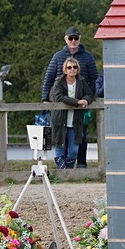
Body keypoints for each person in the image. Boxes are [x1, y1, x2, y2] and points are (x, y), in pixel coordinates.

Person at [41, 26, 99, 167]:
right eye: (71, 38)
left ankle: (81, 164)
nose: (73, 41)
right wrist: (45, 99)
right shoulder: (57, 56)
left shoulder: (88, 56)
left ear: (80, 39)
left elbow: (94, 79)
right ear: (66, 39)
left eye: (76, 38)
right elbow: (49, 78)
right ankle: (64, 169)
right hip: (61, 102)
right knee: (60, 135)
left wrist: (88, 98)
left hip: (81, 102)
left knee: (80, 135)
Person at [49, 57, 95, 169]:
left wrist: (86, 100)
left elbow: (90, 94)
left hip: (76, 120)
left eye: (74, 67)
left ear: (78, 69)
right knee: (60, 146)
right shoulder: (58, 82)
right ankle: (63, 172)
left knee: (74, 150)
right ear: (65, 69)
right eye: (69, 67)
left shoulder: (81, 81)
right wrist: (77, 102)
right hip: (60, 119)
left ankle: (68, 170)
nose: (72, 69)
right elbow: (59, 97)